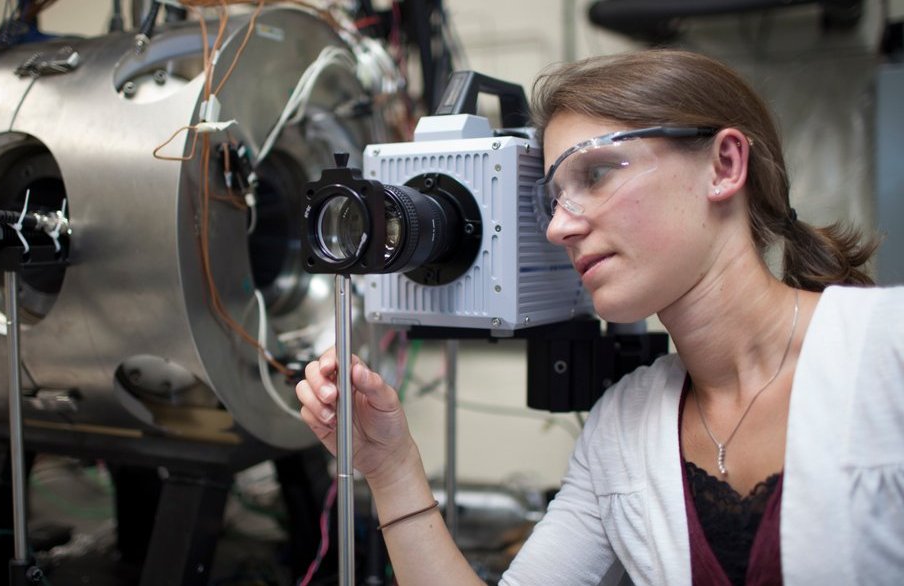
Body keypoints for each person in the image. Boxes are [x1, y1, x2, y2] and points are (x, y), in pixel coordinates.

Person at [296, 48, 904, 585]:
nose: (560, 226)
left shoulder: (885, 348)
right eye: (554, 197)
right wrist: (390, 468)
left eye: (596, 173)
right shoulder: (625, 424)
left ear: (724, 165)